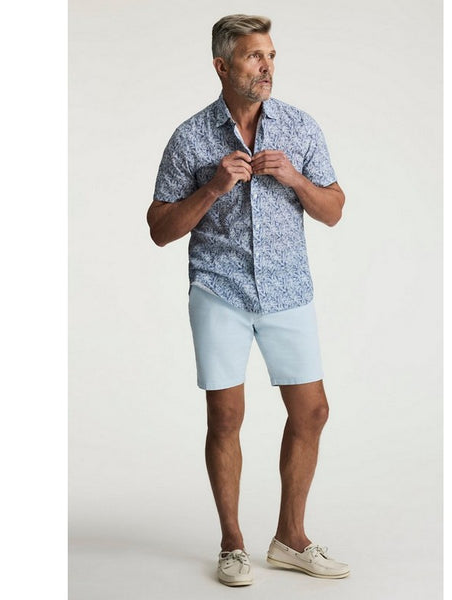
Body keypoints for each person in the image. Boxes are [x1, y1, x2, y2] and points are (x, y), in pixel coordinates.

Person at [147, 14, 349, 586]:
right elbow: (160, 229)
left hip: (288, 290)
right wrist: (213, 187)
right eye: (254, 56)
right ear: (222, 66)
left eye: (271, 56)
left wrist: (297, 180)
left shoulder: (300, 127)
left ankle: (290, 539)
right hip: (220, 289)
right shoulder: (190, 137)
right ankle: (232, 543)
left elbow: (334, 209)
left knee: (312, 411)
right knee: (226, 416)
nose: (267, 67)